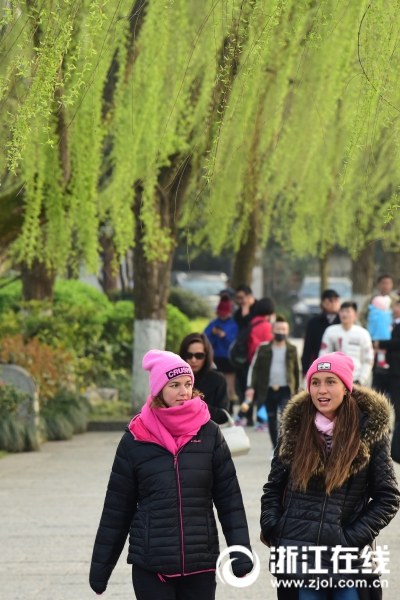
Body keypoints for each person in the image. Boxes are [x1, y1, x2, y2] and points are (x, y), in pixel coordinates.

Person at [89, 350, 253, 599]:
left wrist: (240, 554)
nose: (183, 392)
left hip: (201, 563)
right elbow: (116, 510)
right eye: (174, 385)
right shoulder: (135, 439)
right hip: (151, 565)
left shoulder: (209, 433)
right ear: (158, 390)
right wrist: (101, 569)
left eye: (187, 384)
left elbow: (229, 500)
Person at [260, 351, 400, 598]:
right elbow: (273, 488)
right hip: (298, 560)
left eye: (330, 381)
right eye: (316, 382)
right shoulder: (295, 429)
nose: (321, 390)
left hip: (348, 561)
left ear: (346, 387)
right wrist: (275, 528)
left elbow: (388, 496)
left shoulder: (368, 431)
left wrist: (350, 539)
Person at [246, 316, 299, 449]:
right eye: (278, 329)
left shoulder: (292, 349)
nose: (280, 332)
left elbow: (297, 371)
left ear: (287, 331)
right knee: (271, 420)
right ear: (273, 331)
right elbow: (254, 368)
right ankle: (275, 448)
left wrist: (298, 391)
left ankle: (283, 448)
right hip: (268, 389)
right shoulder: (263, 348)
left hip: (286, 389)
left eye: (283, 329)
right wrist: (250, 386)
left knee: (284, 420)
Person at [179, 333, 229, 424]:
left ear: (207, 356)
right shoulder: (174, 379)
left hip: (206, 433)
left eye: (199, 356)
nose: (193, 360)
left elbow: (223, 416)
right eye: (189, 355)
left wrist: (197, 405)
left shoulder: (218, 379)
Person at [320, 301, 374, 385]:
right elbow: (323, 356)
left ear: (356, 315)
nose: (344, 314)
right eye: (342, 311)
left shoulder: (363, 334)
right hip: (334, 379)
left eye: (348, 311)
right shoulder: (330, 331)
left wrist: (361, 380)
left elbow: (368, 360)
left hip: (356, 379)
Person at [204, 297, 239, 413]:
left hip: (228, 359)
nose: (222, 316)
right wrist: (213, 334)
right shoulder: (213, 324)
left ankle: (231, 410)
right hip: (215, 358)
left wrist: (224, 336)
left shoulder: (233, 325)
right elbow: (204, 339)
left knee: (229, 386)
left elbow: (235, 342)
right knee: (214, 384)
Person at [301, 289, 340, 375]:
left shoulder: (342, 322)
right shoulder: (314, 322)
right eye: (330, 300)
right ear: (323, 303)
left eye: (336, 300)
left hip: (340, 365)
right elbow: (308, 346)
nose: (334, 303)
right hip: (319, 364)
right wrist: (305, 368)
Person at [233, 284, 259, 405]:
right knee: (243, 381)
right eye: (238, 298)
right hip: (243, 354)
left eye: (242, 298)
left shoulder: (259, 308)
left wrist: (247, 314)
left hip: (256, 351)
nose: (240, 301)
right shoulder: (238, 313)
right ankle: (246, 411)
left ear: (250, 296)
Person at [375, 300, 400, 425]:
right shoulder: (386, 323)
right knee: (377, 405)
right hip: (381, 372)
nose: (395, 309)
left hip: (397, 373)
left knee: (398, 406)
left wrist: (381, 343)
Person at [366, 295, 392, 370]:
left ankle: (372, 361)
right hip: (382, 336)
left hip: (375, 335)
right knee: (379, 350)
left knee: (375, 350)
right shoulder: (384, 314)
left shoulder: (372, 313)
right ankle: (376, 361)